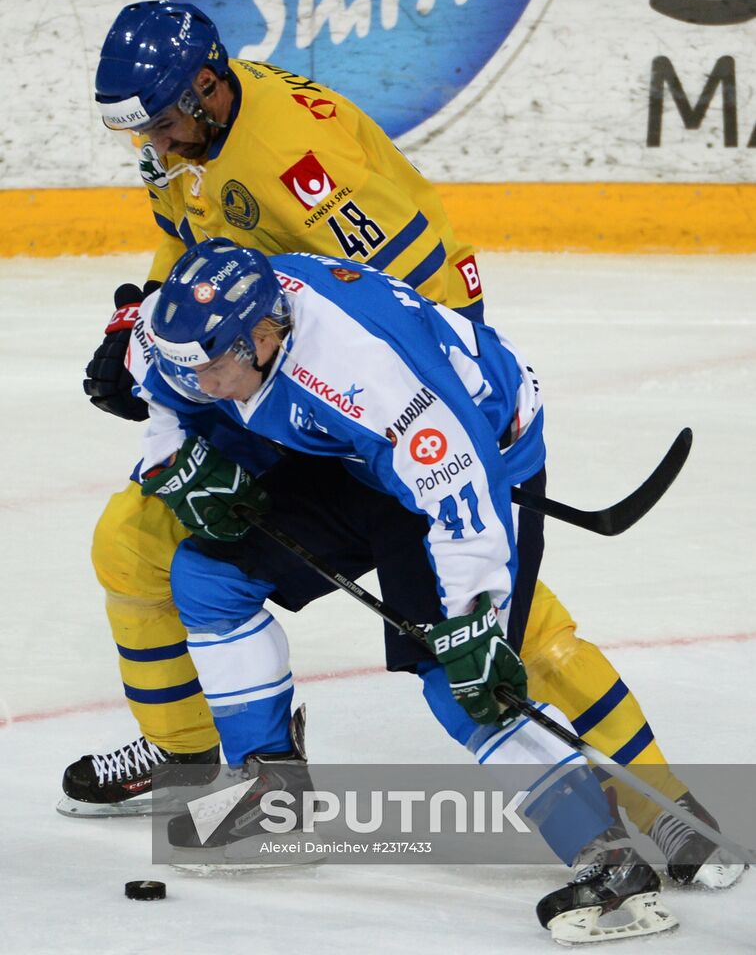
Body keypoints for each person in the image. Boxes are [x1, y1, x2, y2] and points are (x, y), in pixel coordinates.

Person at [62, 0, 739, 896]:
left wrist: (405, 441)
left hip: (392, 399)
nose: (153, 143)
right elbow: (187, 244)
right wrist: (150, 330)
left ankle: (663, 807)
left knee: (501, 631)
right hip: (277, 378)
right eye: (141, 130)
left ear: (207, 87)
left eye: (164, 121)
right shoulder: (185, 139)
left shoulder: (302, 164)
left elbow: (417, 315)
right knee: (143, 544)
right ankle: (218, 768)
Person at [139, 237, 681, 942]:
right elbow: (154, 379)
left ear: (264, 337)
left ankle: (609, 859)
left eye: (214, 370)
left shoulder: (365, 372)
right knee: (209, 576)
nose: (203, 385)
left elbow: (461, 488)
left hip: (479, 463)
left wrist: (472, 621)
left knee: (462, 678)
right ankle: (274, 797)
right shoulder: (209, 329)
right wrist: (174, 461)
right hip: (360, 458)